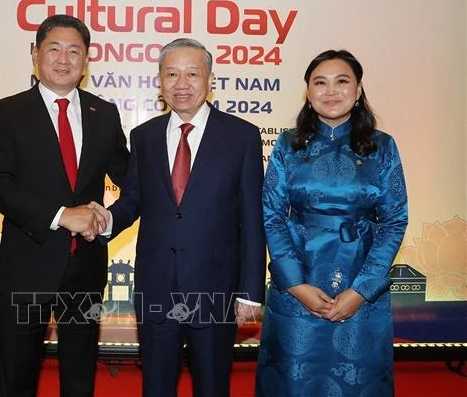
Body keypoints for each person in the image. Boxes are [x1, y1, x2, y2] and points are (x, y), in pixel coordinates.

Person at [97, 38, 266, 396]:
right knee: (156, 387)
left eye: (192, 73)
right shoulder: (144, 136)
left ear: (210, 79)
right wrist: (106, 221)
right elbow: (132, 200)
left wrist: (250, 291)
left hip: (216, 287)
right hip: (157, 287)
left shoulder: (243, 136)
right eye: (171, 74)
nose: (182, 84)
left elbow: (253, 219)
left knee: (212, 386)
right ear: (159, 80)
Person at [0, 14, 130, 397]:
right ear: (35, 54)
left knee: (80, 373)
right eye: (54, 48)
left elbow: (133, 178)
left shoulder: (104, 112)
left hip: (85, 267)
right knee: (18, 374)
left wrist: (110, 217)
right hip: (27, 264)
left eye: (74, 50)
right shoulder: (7, 112)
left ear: (86, 59)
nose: (64, 59)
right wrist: (63, 216)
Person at [255, 49, 408, 396]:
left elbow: (395, 220)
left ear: (357, 91)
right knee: (293, 381)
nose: (331, 91)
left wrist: (362, 290)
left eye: (342, 81)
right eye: (319, 83)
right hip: (299, 282)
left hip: (360, 283)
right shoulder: (288, 144)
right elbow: (273, 215)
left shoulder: (383, 147)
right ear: (308, 93)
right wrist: (295, 285)